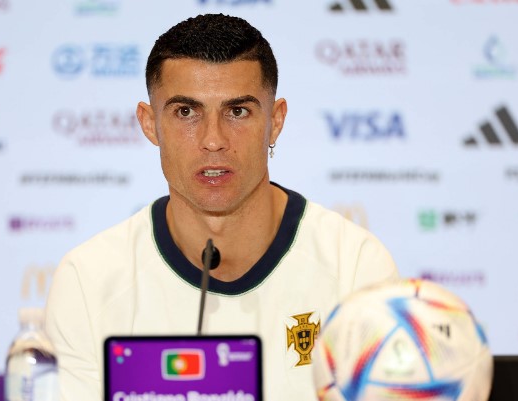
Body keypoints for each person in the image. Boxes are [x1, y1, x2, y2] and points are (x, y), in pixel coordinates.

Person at [45, 13, 398, 400]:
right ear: (149, 124)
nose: (213, 140)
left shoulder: (354, 267)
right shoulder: (89, 279)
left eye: (238, 111)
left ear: (275, 121)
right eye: (186, 112)